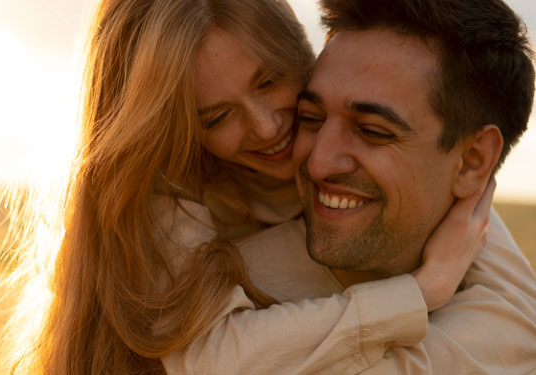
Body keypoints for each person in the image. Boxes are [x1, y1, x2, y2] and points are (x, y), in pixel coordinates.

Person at [0, 0, 531, 374]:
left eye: (272, 82)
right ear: (178, 129)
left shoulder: (436, 194)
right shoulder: (165, 205)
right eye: (217, 116)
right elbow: (217, 362)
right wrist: (421, 292)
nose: (269, 129)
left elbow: (518, 323)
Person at [163, 0, 536, 373]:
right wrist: (423, 290)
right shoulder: (214, 286)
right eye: (311, 118)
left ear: (473, 161)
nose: (317, 161)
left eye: (372, 131)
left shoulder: (496, 288)